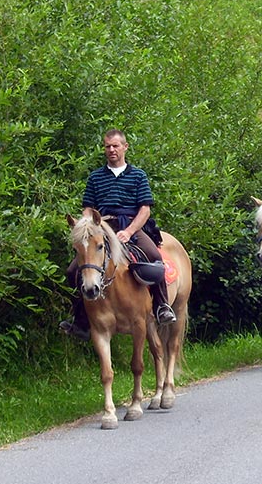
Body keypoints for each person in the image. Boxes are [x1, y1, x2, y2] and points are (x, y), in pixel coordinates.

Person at [60, 129, 176, 341]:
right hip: (101, 226)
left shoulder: (138, 175)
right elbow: (88, 208)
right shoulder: (95, 177)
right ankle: (81, 320)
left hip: (131, 225)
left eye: (115, 146)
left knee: (155, 257)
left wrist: (129, 231)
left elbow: (145, 209)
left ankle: (162, 307)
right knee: (72, 271)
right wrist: (85, 225)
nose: (111, 150)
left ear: (125, 147)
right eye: (107, 146)